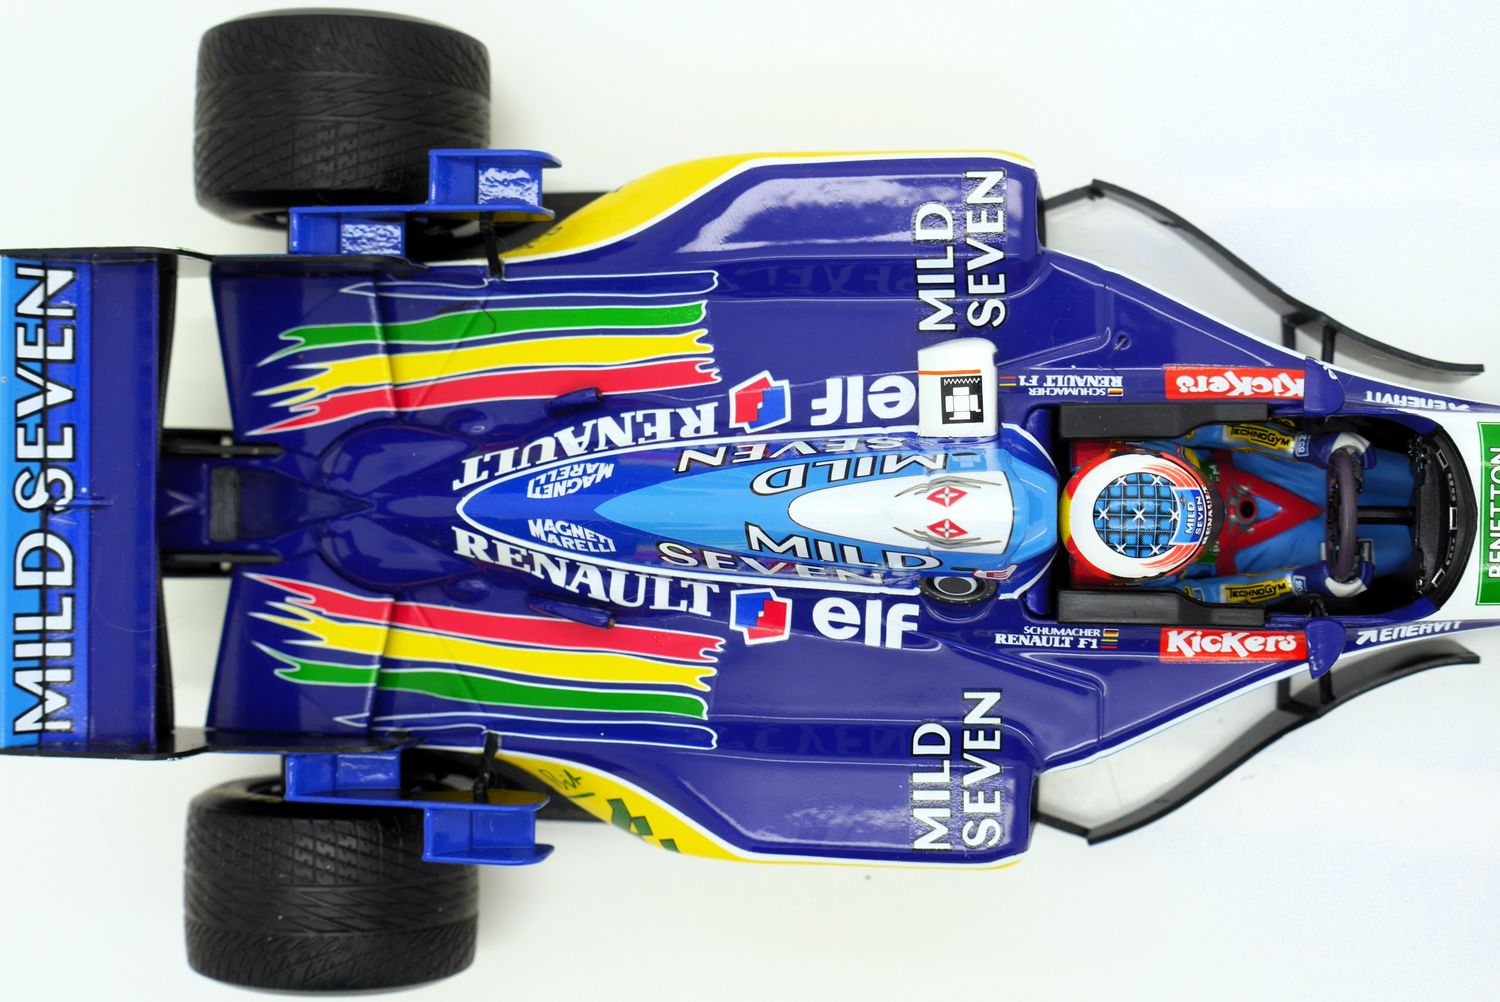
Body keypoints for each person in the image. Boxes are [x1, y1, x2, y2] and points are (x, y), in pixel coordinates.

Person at [1061, 422, 1415, 606]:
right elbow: (1222, 595)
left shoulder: (1148, 445)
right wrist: (1302, 581)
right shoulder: (1143, 577)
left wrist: (1303, 446)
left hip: (1286, 469)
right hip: (1291, 554)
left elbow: (1217, 430)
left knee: (1405, 474)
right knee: (1403, 554)